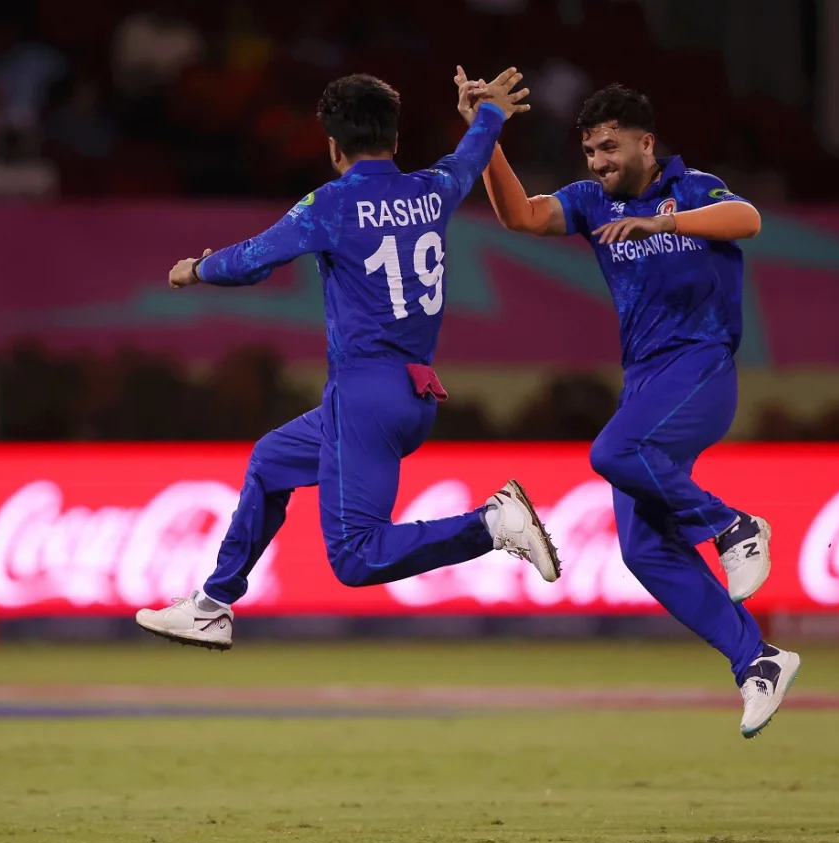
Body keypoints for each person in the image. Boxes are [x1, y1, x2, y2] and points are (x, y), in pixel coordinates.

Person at [135, 70, 560, 649]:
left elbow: (254, 260)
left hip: (364, 394)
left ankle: (489, 525)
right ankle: (213, 603)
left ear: (333, 146)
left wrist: (195, 270)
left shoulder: (332, 205)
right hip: (414, 394)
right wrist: (487, 115)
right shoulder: (432, 188)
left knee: (356, 557)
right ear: (394, 138)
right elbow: (470, 156)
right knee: (270, 461)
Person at [457, 72, 798, 738]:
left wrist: (661, 219)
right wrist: (484, 129)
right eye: (589, 153)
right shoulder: (591, 202)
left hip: (701, 367)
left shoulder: (693, 188)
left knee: (613, 451)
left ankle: (732, 526)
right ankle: (756, 658)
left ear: (647, 143)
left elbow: (749, 220)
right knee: (643, 549)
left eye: (610, 149)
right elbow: (519, 215)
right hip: (647, 383)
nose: (598, 164)